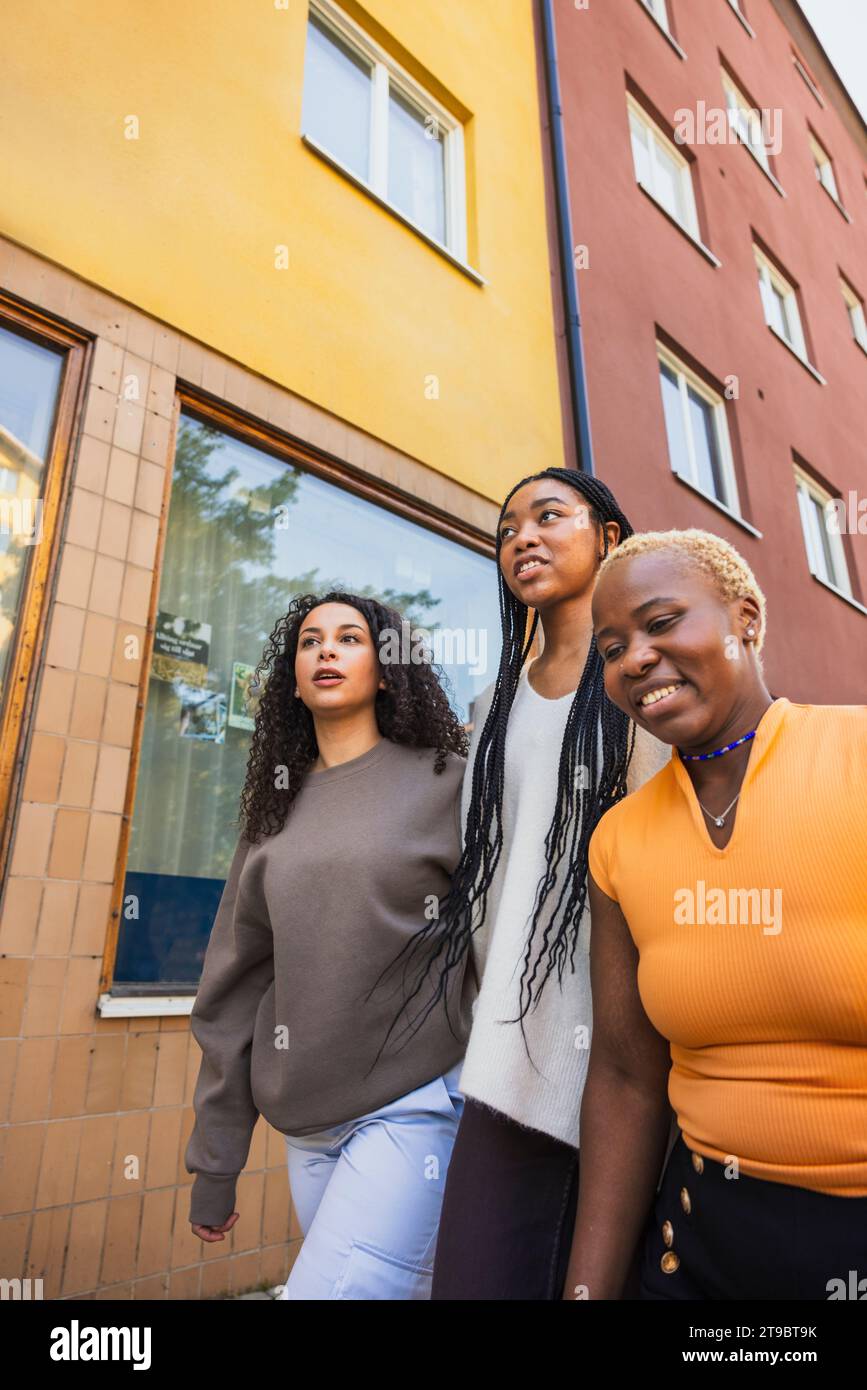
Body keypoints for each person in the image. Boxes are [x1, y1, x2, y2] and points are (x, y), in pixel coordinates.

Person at [563, 527, 867, 1300]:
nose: (633, 658)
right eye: (610, 646)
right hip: (700, 1246)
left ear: (746, 619)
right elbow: (628, 1078)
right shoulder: (617, 842)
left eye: (661, 623)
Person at [391, 467, 670, 1300]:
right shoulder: (492, 706)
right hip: (509, 1061)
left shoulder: (646, 690)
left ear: (608, 537)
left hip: (632, 1064)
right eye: (508, 527)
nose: (523, 537)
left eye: (549, 516)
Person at [184, 591, 476, 1300]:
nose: (325, 652)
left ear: (385, 671)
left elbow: (497, 937)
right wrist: (216, 1161)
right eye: (310, 642)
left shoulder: (448, 782)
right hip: (305, 1124)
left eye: (348, 638)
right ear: (291, 680)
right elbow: (234, 983)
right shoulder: (274, 808)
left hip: (414, 1108)